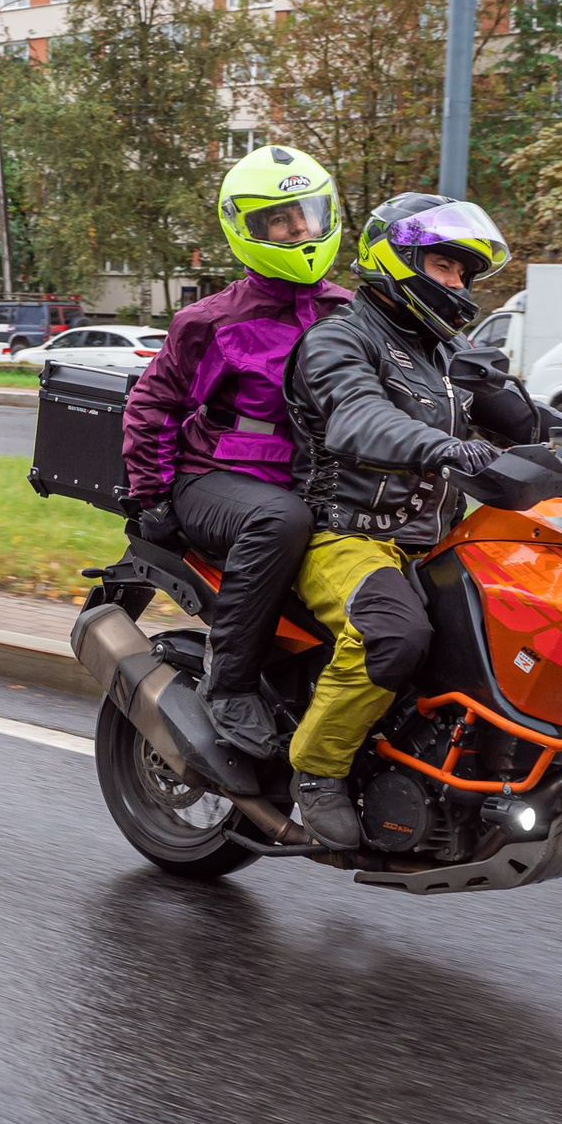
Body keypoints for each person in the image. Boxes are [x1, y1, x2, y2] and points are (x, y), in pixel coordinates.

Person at [281, 193, 554, 849]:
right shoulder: (339, 337)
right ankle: (318, 770)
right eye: (444, 266)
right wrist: (445, 445)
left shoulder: (444, 353)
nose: (457, 284)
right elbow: (357, 416)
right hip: (346, 531)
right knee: (391, 634)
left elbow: (536, 426)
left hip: (435, 540)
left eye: (464, 273)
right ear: (396, 259)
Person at [119, 146, 352, 760]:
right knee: (281, 520)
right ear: (248, 230)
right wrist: (151, 494)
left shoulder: (352, 314)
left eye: (307, 214)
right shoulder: (211, 321)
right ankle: (230, 684)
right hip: (217, 481)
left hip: (315, 483)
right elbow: (150, 405)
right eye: (281, 220)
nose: (300, 230)